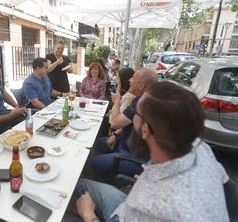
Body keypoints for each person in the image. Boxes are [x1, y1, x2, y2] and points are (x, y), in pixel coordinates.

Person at [68, 81, 229, 222]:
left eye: (135, 112)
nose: (132, 116)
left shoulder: (150, 206)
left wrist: (88, 214)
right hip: (141, 198)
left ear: (145, 130)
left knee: (78, 187)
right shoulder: (201, 147)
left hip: (127, 213)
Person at [89, 68, 158, 180]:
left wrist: (117, 100)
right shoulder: (145, 98)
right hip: (122, 143)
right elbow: (128, 123)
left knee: (89, 162)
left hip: (132, 157)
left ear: (141, 86)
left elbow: (115, 123)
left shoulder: (142, 102)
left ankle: (104, 184)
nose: (130, 80)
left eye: (134, 77)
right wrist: (116, 135)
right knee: (91, 144)